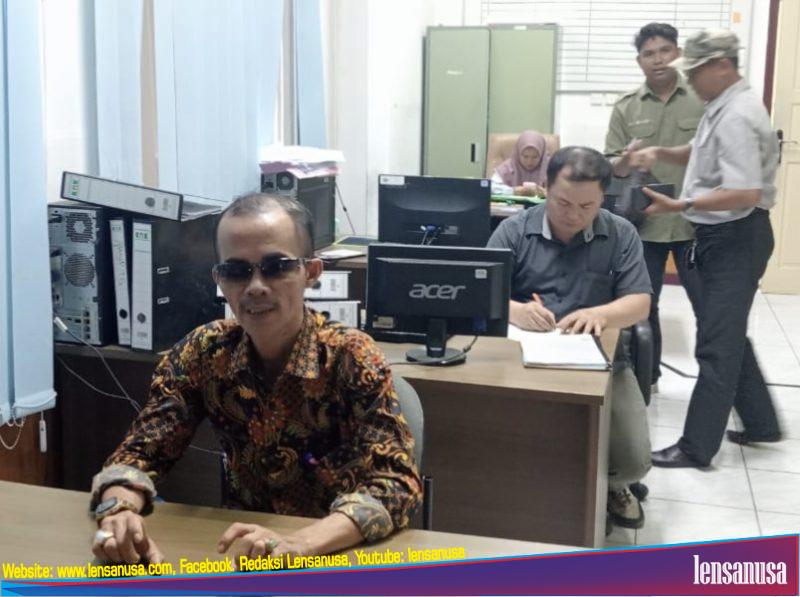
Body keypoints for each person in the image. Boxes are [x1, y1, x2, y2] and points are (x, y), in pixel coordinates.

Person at [89, 193, 422, 565]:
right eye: (237, 271)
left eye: (276, 267)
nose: (256, 286)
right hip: (243, 556)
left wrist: (300, 543)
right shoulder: (205, 352)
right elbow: (140, 452)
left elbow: (396, 485)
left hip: (338, 556)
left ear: (311, 272)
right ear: (219, 279)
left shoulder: (351, 357)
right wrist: (118, 509)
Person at [630, 30, 782, 468]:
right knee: (727, 333)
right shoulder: (727, 104)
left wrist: (683, 205)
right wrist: (661, 152)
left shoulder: (737, 115)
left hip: (735, 237)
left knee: (715, 344)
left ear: (722, 65)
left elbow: (746, 192)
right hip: (728, 236)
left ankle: (696, 447)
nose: (691, 81)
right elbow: (699, 152)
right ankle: (761, 423)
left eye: (696, 72)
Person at [488, 146, 652, 530]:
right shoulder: (514, 229)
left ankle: (611, 485)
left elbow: (640, 303)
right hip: (523, 358)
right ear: (545, 188)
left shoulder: (620, 233)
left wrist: (600, 314)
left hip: (600, 362)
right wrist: (515, 310)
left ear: (602, 198)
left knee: (633, 462)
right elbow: (480, 289)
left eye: (587, 206)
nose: (574, 215)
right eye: (563, 202)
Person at [605, 23, 705, 392]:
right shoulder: (626, 106)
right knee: (644, 305)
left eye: (664, 51)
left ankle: (716, 381)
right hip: (644, 224)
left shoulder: (702, 98)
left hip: (696, 222)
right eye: (649, 53)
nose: (658, 59)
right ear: (639, 61)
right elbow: (611, 167)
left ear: (677, 54)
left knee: (708, 308)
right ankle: (649, 377)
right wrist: (625, 161)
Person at [491, 130, 549, 197]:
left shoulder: (550, 167)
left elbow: (558, 189)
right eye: (525, 157)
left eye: (535, 157)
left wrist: (547, 192)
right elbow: (491, 187)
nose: (529, 162)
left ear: (541, 155)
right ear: (518, 153)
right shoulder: (508, 167)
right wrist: (513, 191)